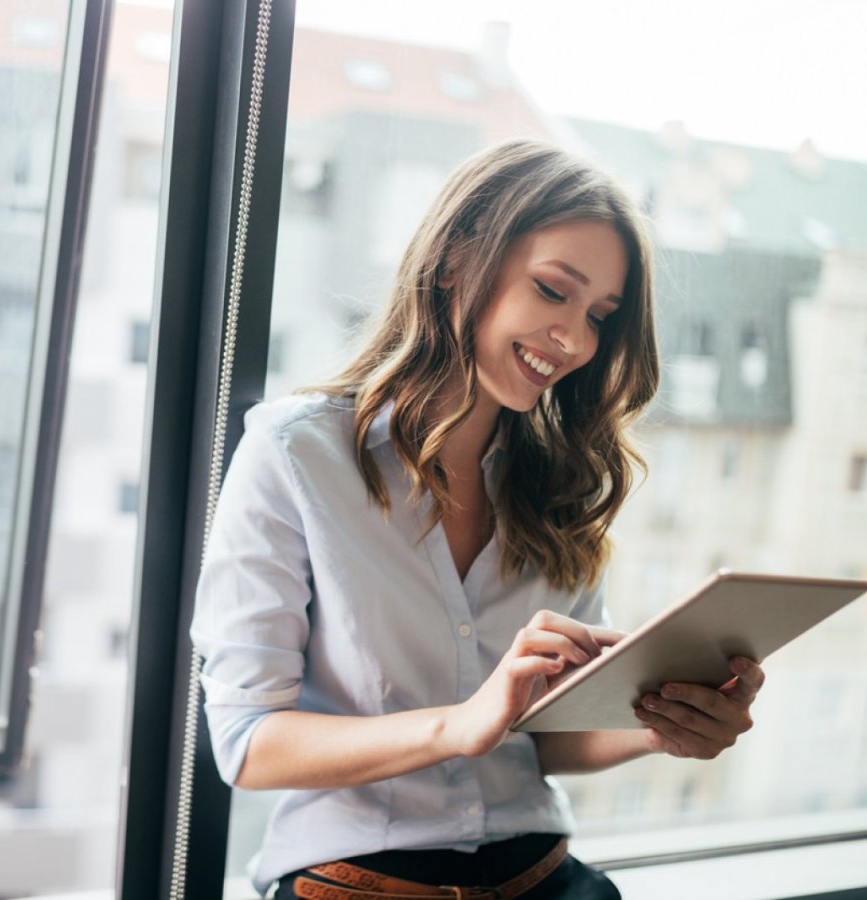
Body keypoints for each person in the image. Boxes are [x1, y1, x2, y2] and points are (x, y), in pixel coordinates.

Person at [191, 139, 763, 899]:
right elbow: (247, 742)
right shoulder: (295, 455)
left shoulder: (559, 482)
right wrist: (460, 722)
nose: (576, 340)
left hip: (547, 876)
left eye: (599, 315)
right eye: (553, 291)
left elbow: (545, 737)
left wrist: (664, 728)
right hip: (358, 879)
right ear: (460, 257)